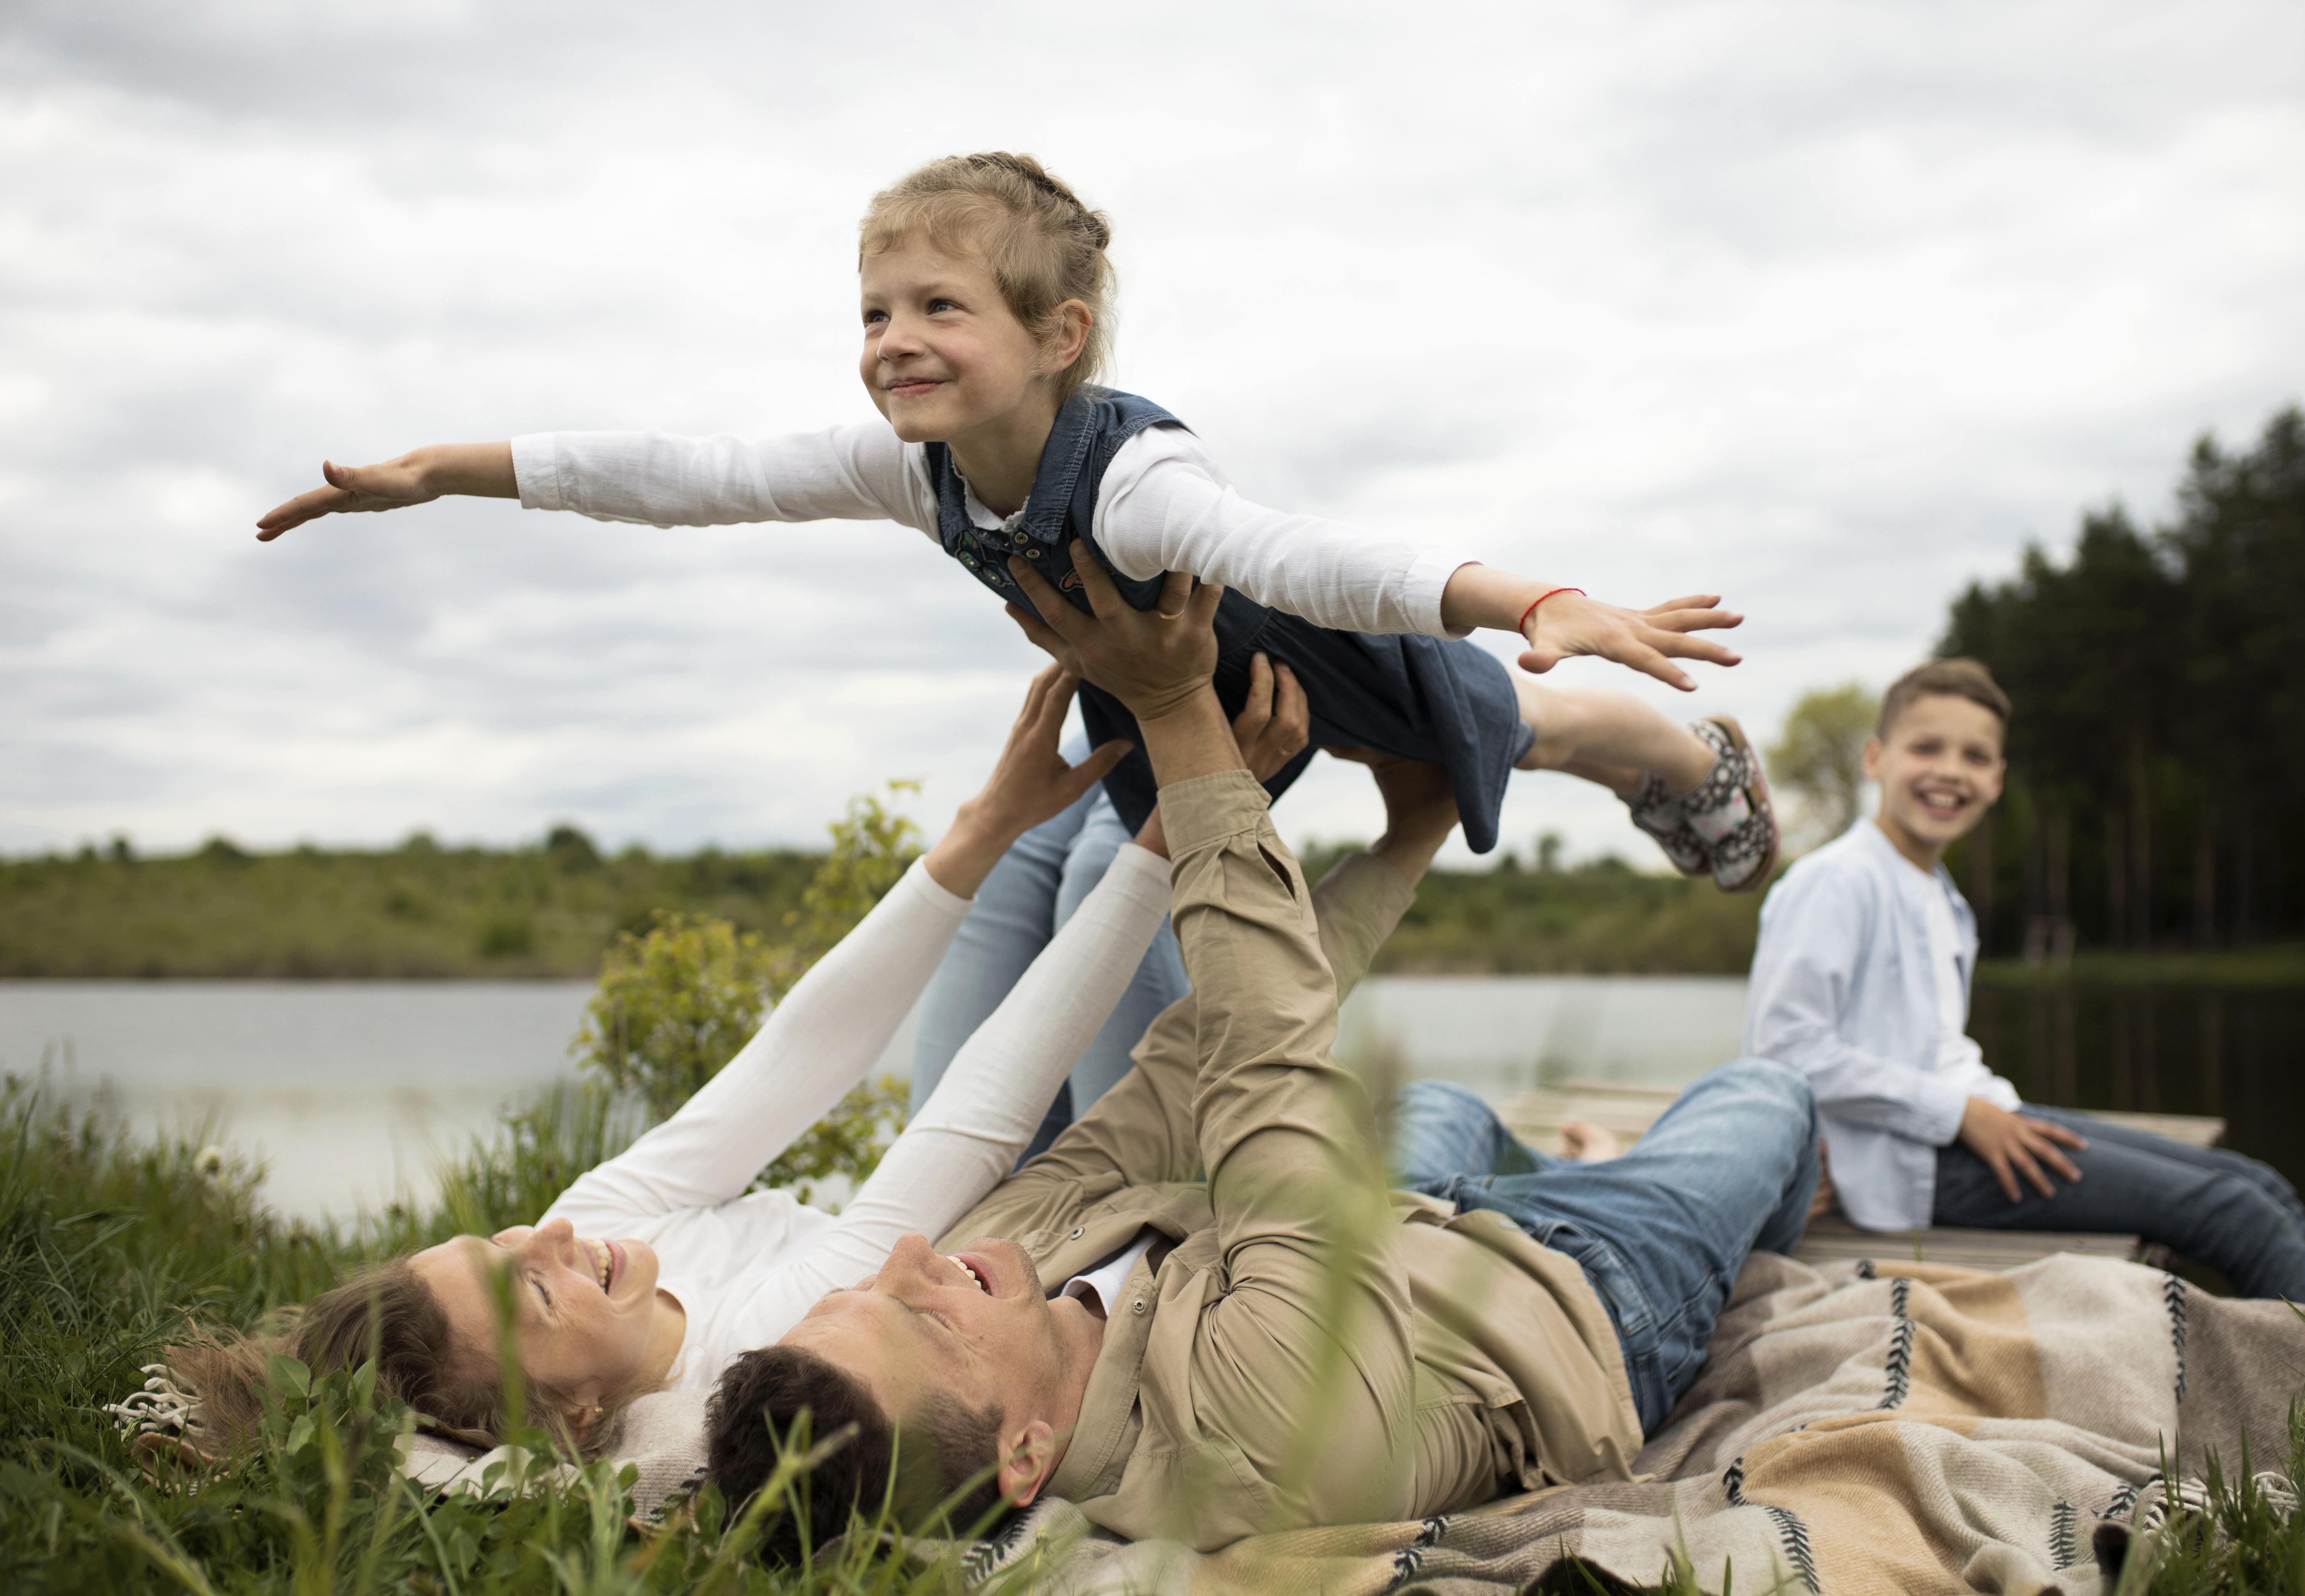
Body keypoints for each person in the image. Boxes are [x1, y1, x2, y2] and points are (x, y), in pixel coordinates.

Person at [250, 150, 1781, 1140]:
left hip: (1336, 668)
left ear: (1056, 337)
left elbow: (1307, 555)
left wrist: (1533, 600)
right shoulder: (904, 467)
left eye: (939, 306)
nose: (893, 339)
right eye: (873, 311)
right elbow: (692, 473)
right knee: (1067, 976)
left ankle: (1677, 747)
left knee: (1525, 724)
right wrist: (446, 469)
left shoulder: (1135, 473)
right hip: (1156, 737)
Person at [702, 547, 1821, 1557]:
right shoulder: (1250, 1434)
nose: (906, 1259)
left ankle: (1562, 1141)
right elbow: (1264, 1061)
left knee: (1430, 1101)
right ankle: (1613, 1176)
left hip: (1394, 1215)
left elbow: (1190, 1071)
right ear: (1028, 1454)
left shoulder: (1007, 1267)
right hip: (1579, 1289)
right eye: (924, 1318)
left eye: (868, 1289)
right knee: (1766, 1100)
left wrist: (1411, 835)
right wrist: (1180, 711)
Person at [164, 661, 1308, 1457]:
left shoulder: (597, 1226)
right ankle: (1419, 726)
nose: (551, 1235)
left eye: (502, 1242)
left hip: (976, 1185)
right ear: (569, 1417)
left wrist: (979, 823)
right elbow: (964, 1130)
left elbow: (797, 1061)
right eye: (534, 1288)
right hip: (1025, 1215)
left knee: (1019, 857)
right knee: (1116, 844)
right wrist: (1173, 838)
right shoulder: (754, 1361)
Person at [1743, 658, 2305, 1325]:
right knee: (2236, 1214)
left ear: (1996, 780)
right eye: (1927, 748)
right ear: (1876, 758)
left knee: (2258, 1182)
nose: (1950, 771)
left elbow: (1932, 1051)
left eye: (1975, 756)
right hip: (1908, 1164)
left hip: (1977, 1122)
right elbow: (1786, 1049)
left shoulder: (1937, 892)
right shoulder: (1836, 882)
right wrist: (1959, 1113)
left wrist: (1978, 1111)